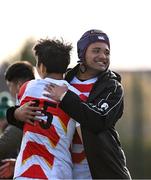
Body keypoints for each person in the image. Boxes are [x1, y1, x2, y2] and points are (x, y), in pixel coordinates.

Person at [7, 29, 131, 179]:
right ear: (82, 53)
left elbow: (98, 120)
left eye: (107, 52)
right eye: (96, 50)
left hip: (96, 171)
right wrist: (15, 114)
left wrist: (65, 97)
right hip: (62, 170)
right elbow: (41, 120)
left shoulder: (112, 88)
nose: (103, 56)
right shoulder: (65, 78)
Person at [12, 38, 86, 179]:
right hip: (58, 171)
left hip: (24, 171)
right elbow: (85, 140)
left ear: (42, 67)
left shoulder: (26, 88)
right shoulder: (76, 97)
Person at [0, 61, 35, 179]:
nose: (10, 91)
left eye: (10, 86)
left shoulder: (27, 108)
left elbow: (5, 144)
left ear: (19, 85)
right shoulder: (45, 99)